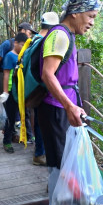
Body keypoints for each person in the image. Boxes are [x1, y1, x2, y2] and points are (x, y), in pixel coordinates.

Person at [37, 0, 100, 205]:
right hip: (55, 109)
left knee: (63, 160)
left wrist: (74, 105)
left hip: (61, 107)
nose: (92, 21)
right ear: (76, 13)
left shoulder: (67, 36)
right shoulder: (60, 35)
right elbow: (48, 74)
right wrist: (68, 106)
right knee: (59, 164)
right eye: (90, 15)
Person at [32, 12, 60, 166]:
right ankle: (40, 153)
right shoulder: (46, 41)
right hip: (43, 89)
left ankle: (39, 151)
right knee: (42, 123)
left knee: (38, 121)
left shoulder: (33, 39)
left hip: (33, 89)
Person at [0, 33, 28, 153]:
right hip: (11, 91)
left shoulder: (24, 55)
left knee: (22, 115)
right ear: (15, 43)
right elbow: (6, 74)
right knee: (10, 117)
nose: (22, 47)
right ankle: (7, 141)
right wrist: (5, 92)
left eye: (24, 45)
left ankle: (24, 136)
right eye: (21, 44)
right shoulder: (10, 56)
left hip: (21, 91)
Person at [0, 22, 37, 92]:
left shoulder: (28, 46)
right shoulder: (8, 44)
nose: (30, 36)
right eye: (29, 33)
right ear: (23, 31)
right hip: (5, 74)